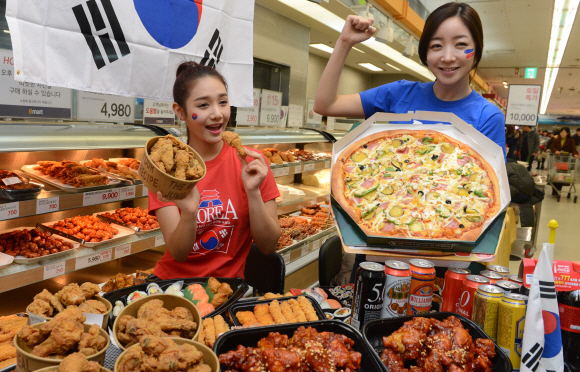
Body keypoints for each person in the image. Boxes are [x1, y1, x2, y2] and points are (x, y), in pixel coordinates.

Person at [314, 2, 506, 282]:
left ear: (476, 50)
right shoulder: (399, 94)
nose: (448, 56)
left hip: (446, 267)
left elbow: (489, 201)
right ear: (425, 51)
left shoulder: (487, 115)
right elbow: (325, 103)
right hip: (379, 256)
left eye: (461, 44)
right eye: (437, 46)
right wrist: (345, 42)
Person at [148, 62, 281, 279]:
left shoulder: (251, 163)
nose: (217, 114)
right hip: (175, 288)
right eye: (203, 106)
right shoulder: (166, 168)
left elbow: (268, 246)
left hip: (227, 290)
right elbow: (178, 253)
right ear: (180, 112)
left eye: (223, 102)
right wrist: (189, 213)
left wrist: (253, 193)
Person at [549, 127, 578, 196]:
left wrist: (575, 154)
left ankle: (558, 190)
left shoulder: (571, 140)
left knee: (562, 175)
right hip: (557, 159)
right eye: (561, 132)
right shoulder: (556, 140)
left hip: (565, 160)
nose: (562, 134)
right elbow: (551, 147)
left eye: (564, 132)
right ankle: (554, 190)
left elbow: (573, 149)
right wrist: (556, 150)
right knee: (555, 175)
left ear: (567, 133)